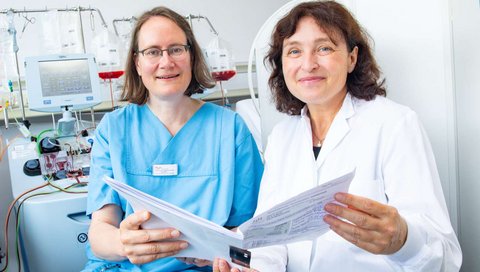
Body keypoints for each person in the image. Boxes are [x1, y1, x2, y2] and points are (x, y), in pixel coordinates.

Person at [215, 1, 462, 271]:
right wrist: (254, 267)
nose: (308, 64)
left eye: (324, 48)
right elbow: (271, 239)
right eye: (294, 51)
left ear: (352, 58)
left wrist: (403, 240)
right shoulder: (282, 137)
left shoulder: (395, 124)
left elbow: (445, 256)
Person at [82, 6, 263, 272]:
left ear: (191, 56)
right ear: (137, 63)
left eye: (176, 49)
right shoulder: (115, 129)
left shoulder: (230, 128)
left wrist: (218, 250)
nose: (166, 62)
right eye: (153, 51)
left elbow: (251, 229)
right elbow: (100, 230)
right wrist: (125, 244)